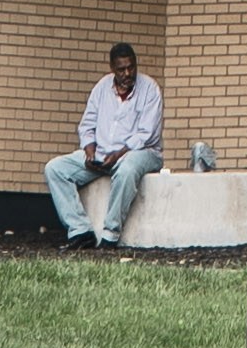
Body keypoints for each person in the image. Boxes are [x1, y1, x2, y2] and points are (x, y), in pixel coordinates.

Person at [45, 41, 164, 250]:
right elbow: (87, 124)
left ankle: (110, 234)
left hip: (141, 152)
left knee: (127, 170)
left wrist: (118, 155)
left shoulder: (150, 89)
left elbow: (146, 135)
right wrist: (89, 151)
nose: (127, 73)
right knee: (55, 168)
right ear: (112, 68)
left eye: (131, 67)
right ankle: (80, 231)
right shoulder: (102, 87)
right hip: (102, 154)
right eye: (121, 69)